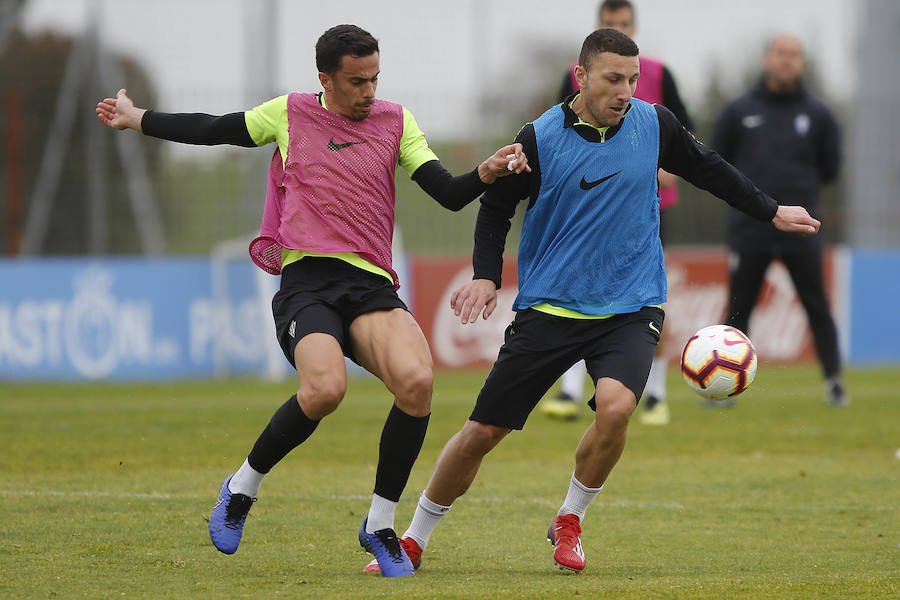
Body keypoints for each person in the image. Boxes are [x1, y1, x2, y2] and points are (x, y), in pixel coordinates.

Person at [363, 28, 820, 575]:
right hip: (550, 308)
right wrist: (486, 275)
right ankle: (414, 538)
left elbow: (711, 171)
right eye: (612, 79)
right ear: (581, 76)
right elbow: (495, 207)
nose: (625, 90)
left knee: (618, 406)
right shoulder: (537, 137)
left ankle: (571, 518)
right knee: (483, 432)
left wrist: (770, 210)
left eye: (631, 79)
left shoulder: (656, 124)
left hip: (632, 304)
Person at [96, 24, 528, 578]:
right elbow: (215, 129)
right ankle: (242, 487)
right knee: (325, 389)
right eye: (355, 82)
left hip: (371, 285)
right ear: (325, 78)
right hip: (308, 283)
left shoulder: (396, 121)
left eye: (375, 78)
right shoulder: (289, 113)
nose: (368, 91)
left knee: (418, 384)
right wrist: (140, 119)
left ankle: (378, 522)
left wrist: (485, 174)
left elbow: (446, 193)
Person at [544, 0, 693, 424]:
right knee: (577, 287)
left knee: (648, 295)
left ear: (635, 28)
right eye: (609, 23)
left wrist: (667, 167)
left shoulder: (659, 75)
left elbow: (685, 133)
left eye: (623, 24)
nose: (616, 28)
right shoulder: (575, 76)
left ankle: (656, 395)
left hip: (649, 206)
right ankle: (571, 390)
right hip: (590, 205)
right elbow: (558, 131)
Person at [712, 33, 848, 407]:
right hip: (749, 228)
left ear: (801, 63)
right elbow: (716, 163)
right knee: (740, 307)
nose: (787, 60)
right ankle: (723, 388)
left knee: (816, 304)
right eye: (780, 53)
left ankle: (834, 381)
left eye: (794, 55)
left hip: (802, 230)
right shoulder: (739, 111)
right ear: (766, 59)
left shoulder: (818, 114)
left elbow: (831, 168)